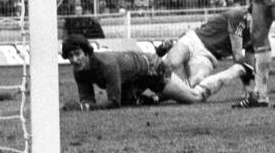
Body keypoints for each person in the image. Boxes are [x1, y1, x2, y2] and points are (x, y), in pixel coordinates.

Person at [61, 34, 191, 109]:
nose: (74, 60)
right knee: (130, 102)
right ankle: (154, 98)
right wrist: (83, 106)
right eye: (70, 56)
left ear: (87, 53)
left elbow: (113, 103)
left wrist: (84, 108)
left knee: (192, 97)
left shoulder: (107, 65)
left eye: (78, 54)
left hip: (153, 69)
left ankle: (192, 81)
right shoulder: (79, 70)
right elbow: (88, 100)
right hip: (132, 80)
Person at [159, 5, 256, 104]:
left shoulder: (257, 32)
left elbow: (246, 65)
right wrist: (255, 76)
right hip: (195, 39)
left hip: (208, 57)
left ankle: (156, 97)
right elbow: (238, 55)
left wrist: (247, 86)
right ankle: (167, 49)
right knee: (170, 64)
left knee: (197, 81)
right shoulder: (239, 15)